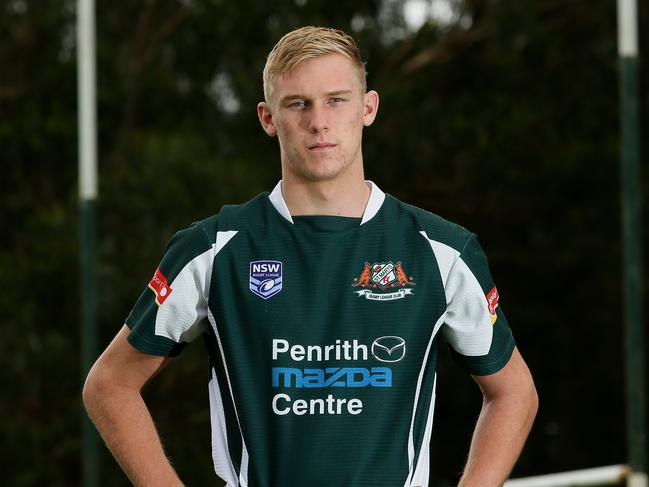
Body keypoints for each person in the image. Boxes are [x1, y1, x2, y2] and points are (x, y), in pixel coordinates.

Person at [83, 26, 538, 487]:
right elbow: (110, 385)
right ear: (267, 117)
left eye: (336, 100)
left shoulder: (443, 252)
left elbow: (514, 392)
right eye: (297, 103)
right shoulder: (213, 250)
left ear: (368, 108)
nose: (318, 121)